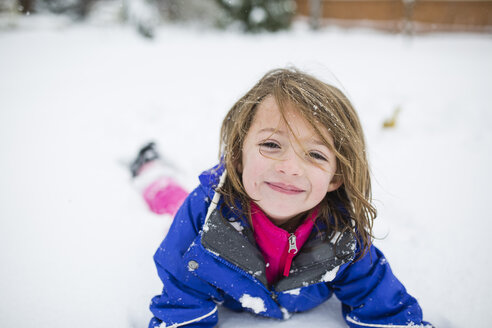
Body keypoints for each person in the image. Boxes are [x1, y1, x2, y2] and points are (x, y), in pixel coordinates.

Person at [134, 68, 432, 327]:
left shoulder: (342, 236)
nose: (289, 168)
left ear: (336, 177)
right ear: (237, 155)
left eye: (315, 154)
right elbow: (180, 300)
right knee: (170, 201)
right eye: (272, 144)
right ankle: (152, 169)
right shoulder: (203, 219)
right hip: (204, 207)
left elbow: (384, 305)